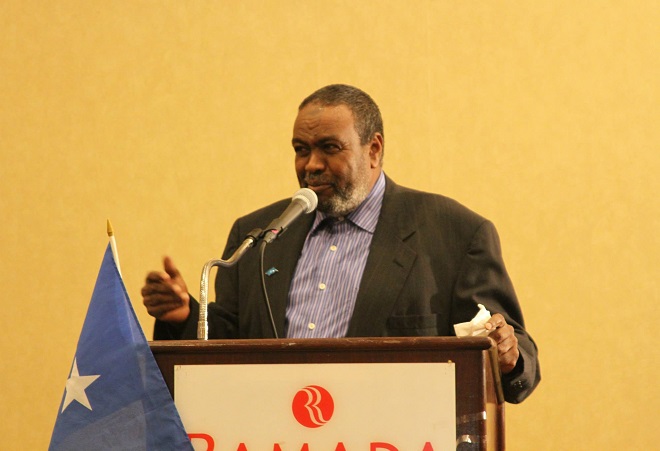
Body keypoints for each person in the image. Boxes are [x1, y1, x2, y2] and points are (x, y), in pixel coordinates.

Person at [142, 84, 540, 403]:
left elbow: (516, 355)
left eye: (329, 148)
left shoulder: (454, 233)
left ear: (374, 149)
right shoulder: (259, 235)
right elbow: (232, 345)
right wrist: (184, 315)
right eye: (301, 150)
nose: (311, 165)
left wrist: (507, 354)